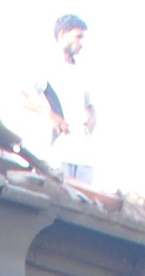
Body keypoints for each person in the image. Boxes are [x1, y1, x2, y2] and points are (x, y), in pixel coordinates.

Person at [29, 15, 99, 183]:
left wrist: (93, 115)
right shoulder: (46, 65)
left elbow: (89, 104)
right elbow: (21, 96)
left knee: (83, 203)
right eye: (78, 36)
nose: (81, 42)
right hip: (55, 153)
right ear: (62, 35)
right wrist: (50, 115)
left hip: (82, 155)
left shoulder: (83, 71)